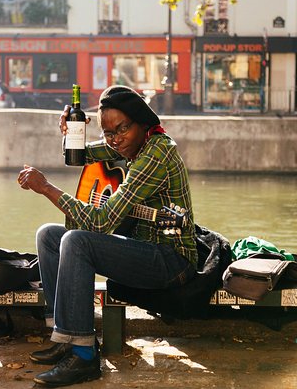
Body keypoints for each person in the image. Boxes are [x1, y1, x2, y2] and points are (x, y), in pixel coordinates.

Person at [17, 85, 197, 387]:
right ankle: (64, 336)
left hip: (170, 259)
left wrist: (46, 187)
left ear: (141, 121)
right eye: (108, 133)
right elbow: (78, 157)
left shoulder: (157, 154)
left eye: (121, 130)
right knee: (48, 235)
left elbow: (101, 222)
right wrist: (69, 132)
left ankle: (84, 356)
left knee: (76, 241)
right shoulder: (131, 144)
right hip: (142, 249)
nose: (115, 140)